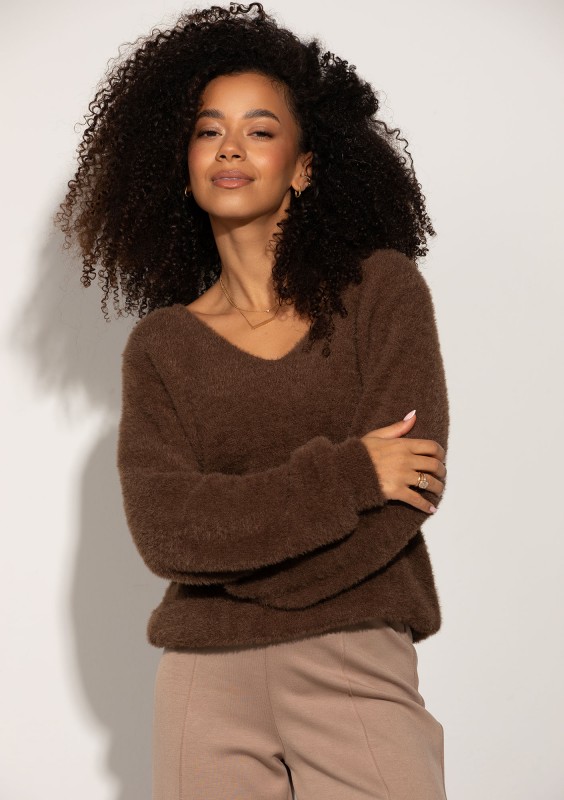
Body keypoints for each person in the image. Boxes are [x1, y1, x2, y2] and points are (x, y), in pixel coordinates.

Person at [55, 3, 450, 798]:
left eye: (260, 130)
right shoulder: (162, 347)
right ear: (184, 165)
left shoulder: (383, 292)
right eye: (209, 130)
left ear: (303, 167)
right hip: (205, 684)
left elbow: (407, 491)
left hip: (354, 659)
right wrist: (352, 475)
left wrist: (231, 572)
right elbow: (168, 532)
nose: (231, 147)